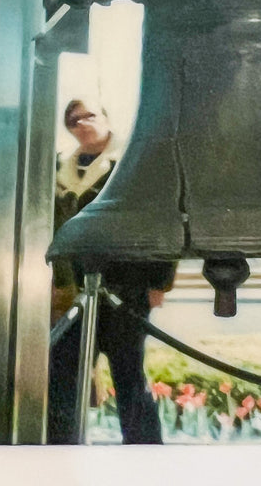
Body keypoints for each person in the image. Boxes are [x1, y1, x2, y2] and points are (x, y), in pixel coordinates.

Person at [48, 99, 176, 445]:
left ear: (106, 118)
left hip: (126, 289)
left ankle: (146, 460)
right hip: (71, 295)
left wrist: (160, 281)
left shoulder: (131, 163)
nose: (82, 123)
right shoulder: (58, 169)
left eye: (90, 115)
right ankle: (59, 459)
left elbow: (160, 219)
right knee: (62, 379)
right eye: (73, 119)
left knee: (128, 377)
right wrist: (57, 285)